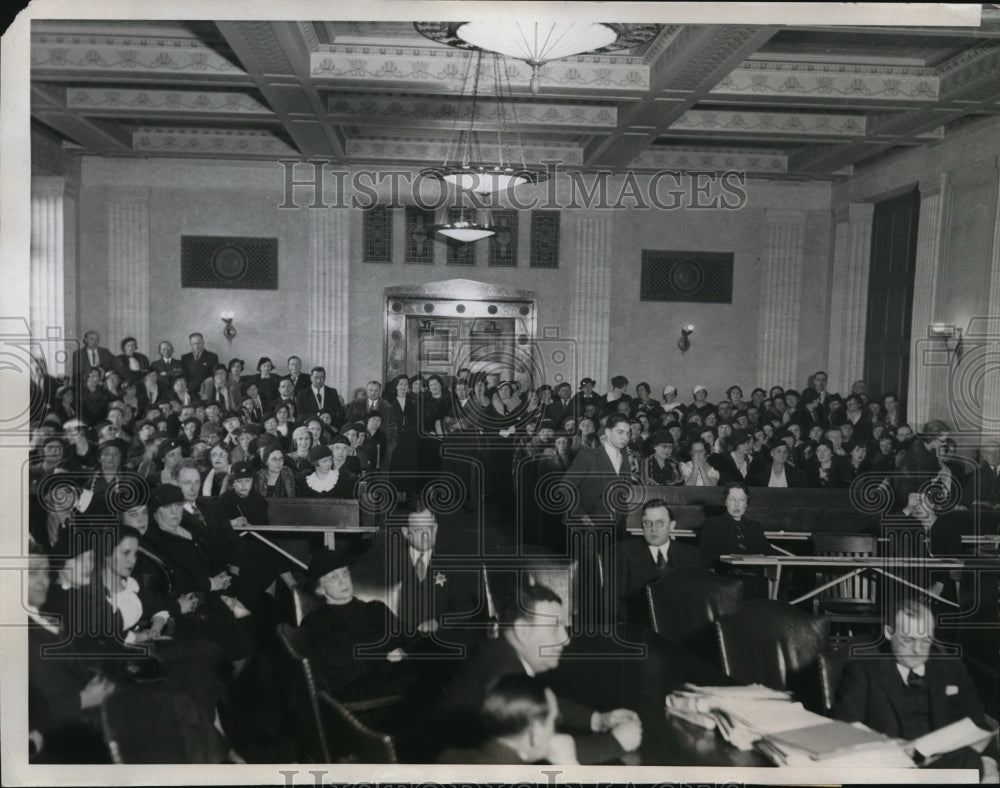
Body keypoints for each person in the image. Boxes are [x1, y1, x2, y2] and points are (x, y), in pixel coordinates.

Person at [439, 584, 641, 765]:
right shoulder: (501, 674)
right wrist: (615, 742)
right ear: (523, 631)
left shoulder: (501, 652)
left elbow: (535, 704)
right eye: (555, 627)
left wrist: (596, 719)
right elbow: (542, 752)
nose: (565, 639)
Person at [832, 598, 999, 780]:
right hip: (890, 770)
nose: (917, 649)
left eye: (926, 640)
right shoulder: (863, 671)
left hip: (946, 767)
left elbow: (977, 723)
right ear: (889, 632)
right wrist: (891, 745)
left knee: (972, 763)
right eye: (908, 639)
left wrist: (990, 765)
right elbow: (843, 727)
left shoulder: (951, 668)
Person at [300, 548, 414, 702]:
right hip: (352, 692)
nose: (343, 580)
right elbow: (338, 657)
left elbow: (408, 635)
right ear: (320, 589)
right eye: (333, 577)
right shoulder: (316, 621)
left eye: (345, 573)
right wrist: (386, 649)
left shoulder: (375, 609)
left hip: (387, 678)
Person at [389, 500, 480, 643]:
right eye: (419, 530)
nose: (426, 536)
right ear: (406, 532)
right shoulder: (390, 566)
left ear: (436, 528)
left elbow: (464, 608)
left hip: (438, 648)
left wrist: (438, 623)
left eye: (429, 528)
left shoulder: (449, 567)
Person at [437, 675, 577, 764]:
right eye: (554, 720)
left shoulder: (448, 757)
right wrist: (570, 766)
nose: (555, 731)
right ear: (536, 731)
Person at [615, 498, 702, 624]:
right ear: (641, 525)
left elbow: (699, 600)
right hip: (638, 627)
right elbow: (615, 601)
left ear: (672, 526)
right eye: (647, 523)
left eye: (660, 523)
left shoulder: (691, 555)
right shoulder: (623, 552)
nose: (653, 529)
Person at [698, 483, 778, 600]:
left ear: (746, 503)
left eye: (741, 500)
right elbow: (706, 555)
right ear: (725, 502)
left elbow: (768, 552)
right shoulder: (712, 523)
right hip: (726, 578)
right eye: (732, 499)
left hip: (756, 577)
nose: (736, 504)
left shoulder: (754, 526)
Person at [566, 414, 634, 537]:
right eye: (620, 432)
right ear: (607, 432)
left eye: (628, 433)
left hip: (617, 527)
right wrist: (581, 515)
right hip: (587, 527)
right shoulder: (588, 456)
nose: (625, 437)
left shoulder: (625, 459)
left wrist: (622, 516)